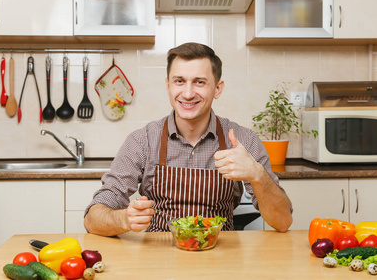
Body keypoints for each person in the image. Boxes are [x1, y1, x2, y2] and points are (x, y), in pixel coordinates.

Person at [84, 42, 293, 236]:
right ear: (168, 86)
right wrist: (123, 219)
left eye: (199, 82)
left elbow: (283, 222)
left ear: (217, 88)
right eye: (179, 81)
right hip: (158, 257)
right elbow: (92, 219)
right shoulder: (142, 141)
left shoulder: (243, 140)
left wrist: (257, 174)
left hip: (222, 257)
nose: (188, 93)